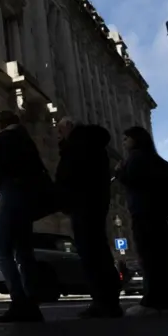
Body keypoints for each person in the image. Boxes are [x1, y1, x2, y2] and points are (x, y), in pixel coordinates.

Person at [0, 110, 51, 323]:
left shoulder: (4, 139)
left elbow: (3, 171)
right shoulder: (27, 140)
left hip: (11, 195)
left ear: (0, 124)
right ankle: (32, 301)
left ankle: (19, 301)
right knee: (25, 251)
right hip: (27, 199)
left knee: (1, 250)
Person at [115, 126, 168, 315]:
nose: (123, 142)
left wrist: (120, 172)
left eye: (126, 138)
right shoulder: (158, 161)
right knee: (164, 259)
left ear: (135, 140)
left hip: (144, 214)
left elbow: (133, 181)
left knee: (149, 258)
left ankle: (152, 302)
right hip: (160, 216)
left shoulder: (136, 159)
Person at [55, 117, 122, 318]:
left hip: (83, 203)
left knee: (91, 252)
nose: (59, 134)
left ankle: (103, 301)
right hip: (93, 202)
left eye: (60, 130)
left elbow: (69, 175)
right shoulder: (93, 145)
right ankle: (108, 300)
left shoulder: (77, 146)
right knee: (98, 249)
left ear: (68, 127)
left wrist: (64, 198)